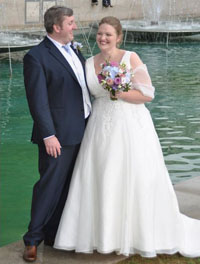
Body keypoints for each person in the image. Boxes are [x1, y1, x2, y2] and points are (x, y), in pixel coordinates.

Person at [54, 16, 200, 258]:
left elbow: (147, 94)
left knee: (132, 175)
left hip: (129, 126)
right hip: (99, 127)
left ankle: (135, 234)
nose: (103, 38)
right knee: (100, 176)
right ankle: (101, 235)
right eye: (100, 33)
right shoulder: (88, 62)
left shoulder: (129, 57)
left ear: (118, 37)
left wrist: (119, 91)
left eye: (108, 35)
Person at [23, 5, 91, 262]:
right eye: (71, 22)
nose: (75, 26)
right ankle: (32, 240)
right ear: (57, 27)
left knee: (69, 187)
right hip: (58, 136)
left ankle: (54, 235)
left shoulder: (74, 50)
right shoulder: (36, 57)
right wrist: (48, 135)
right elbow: (38, 102)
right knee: (49, 187)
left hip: (84, 129)